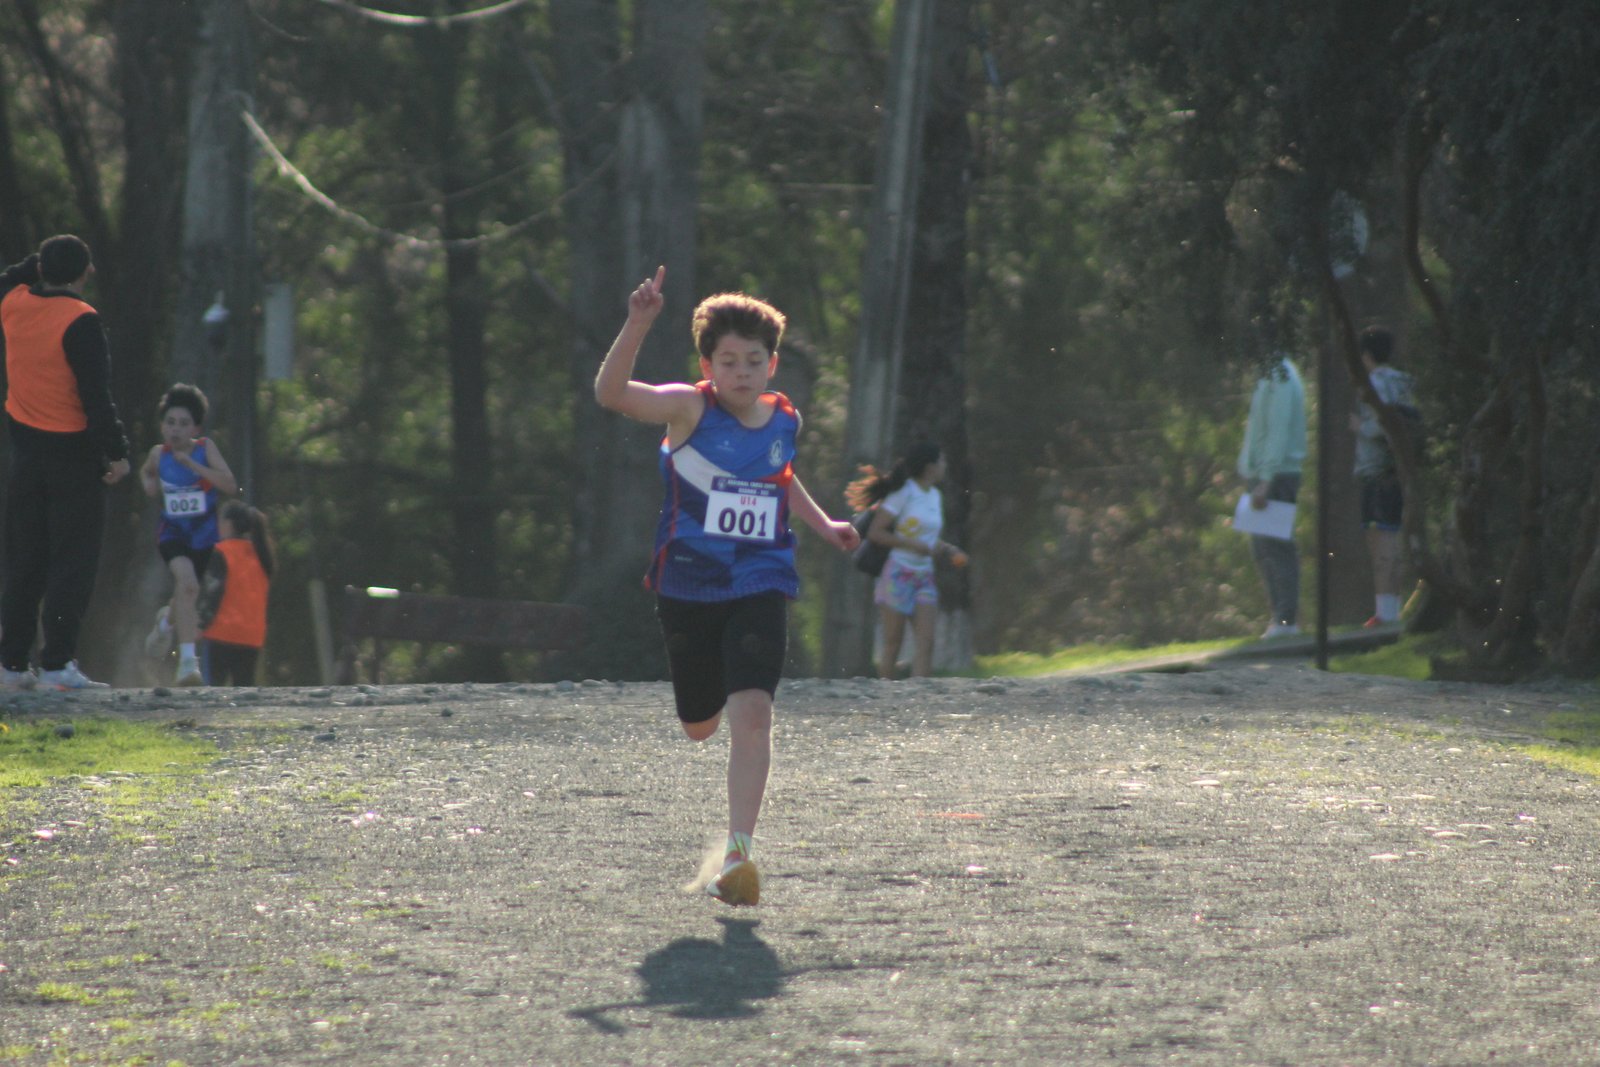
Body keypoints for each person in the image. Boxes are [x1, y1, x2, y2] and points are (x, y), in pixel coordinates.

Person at [594, 265, 860, 907]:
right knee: (698, 725)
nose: (743, 372)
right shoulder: (688, 407)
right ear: (708, 366)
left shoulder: (783, 419)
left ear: (772, 365)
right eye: (730, 361)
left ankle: (740, 851)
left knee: (755, 712)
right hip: (688, 585)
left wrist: (823, 524)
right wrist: (638, 322)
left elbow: (781, 476)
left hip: (761, 576)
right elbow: (610, 395)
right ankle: (704, 717)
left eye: (755, 361)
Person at [0, 235, 131, 690]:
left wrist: (36, 263)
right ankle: (57, 662)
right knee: (71, 562)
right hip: (73, 454)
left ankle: (11, 665)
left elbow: (9, 279)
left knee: (25, 560)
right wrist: (116, 452)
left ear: (41, 268)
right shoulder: (81, 320)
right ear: (83, 272)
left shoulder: (13, 304)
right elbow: (95, 396)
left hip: (25, 453)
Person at [139, 383, 238, 686]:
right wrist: (150, 486)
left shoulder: (205, 449)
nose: (176, 430)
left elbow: (231, 485)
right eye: (170, 423)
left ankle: (166, 623)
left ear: (195, 427)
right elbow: (147, 473)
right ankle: (186, 663)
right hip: (173, 533)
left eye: (183, 424)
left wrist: (194, 465)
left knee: (186, 591)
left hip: (203, 536)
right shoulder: (158, 454)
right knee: (189, 584)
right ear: (162, 426)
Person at [845, 443, 967, 678]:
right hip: (898, 574)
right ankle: (886, 695)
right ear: (930, 467)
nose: (945, 465)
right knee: (893, 642)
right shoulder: (904, 494)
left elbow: (929, 538)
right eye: (941, 461)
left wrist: (949, 550)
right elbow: (876, 533)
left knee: (927, 641)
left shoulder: (934, 496)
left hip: (924, 576)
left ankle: (918, 699)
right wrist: (912, 545)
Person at [1236, 340, 1308, 639]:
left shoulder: (1280, 375)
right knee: (1262, 548)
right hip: (1264, 473)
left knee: (1277, 547)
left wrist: (1265, 478)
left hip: (1276, 474)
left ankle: (1285, 621)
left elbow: (1277, 431)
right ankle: (1278, 616)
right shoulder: (1269, 374)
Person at [1349, 325, 1415, 628]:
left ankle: (1385, 612)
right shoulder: (1405, 382)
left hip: (1376, 471)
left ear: (1365, 355)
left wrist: (1360, 427)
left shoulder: (1373, 384)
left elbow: (1383, 424)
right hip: (1400, 470)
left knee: (1381, 542)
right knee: (1394, 537)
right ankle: (1392, 607)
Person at [197, 500, 273, 686]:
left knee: (214, 691)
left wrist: (201, 624)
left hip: (222, 632)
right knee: (244, 689)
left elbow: (213, 591)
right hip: (252, 635)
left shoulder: (221, 552)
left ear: (229, 524)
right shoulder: (262, 554)